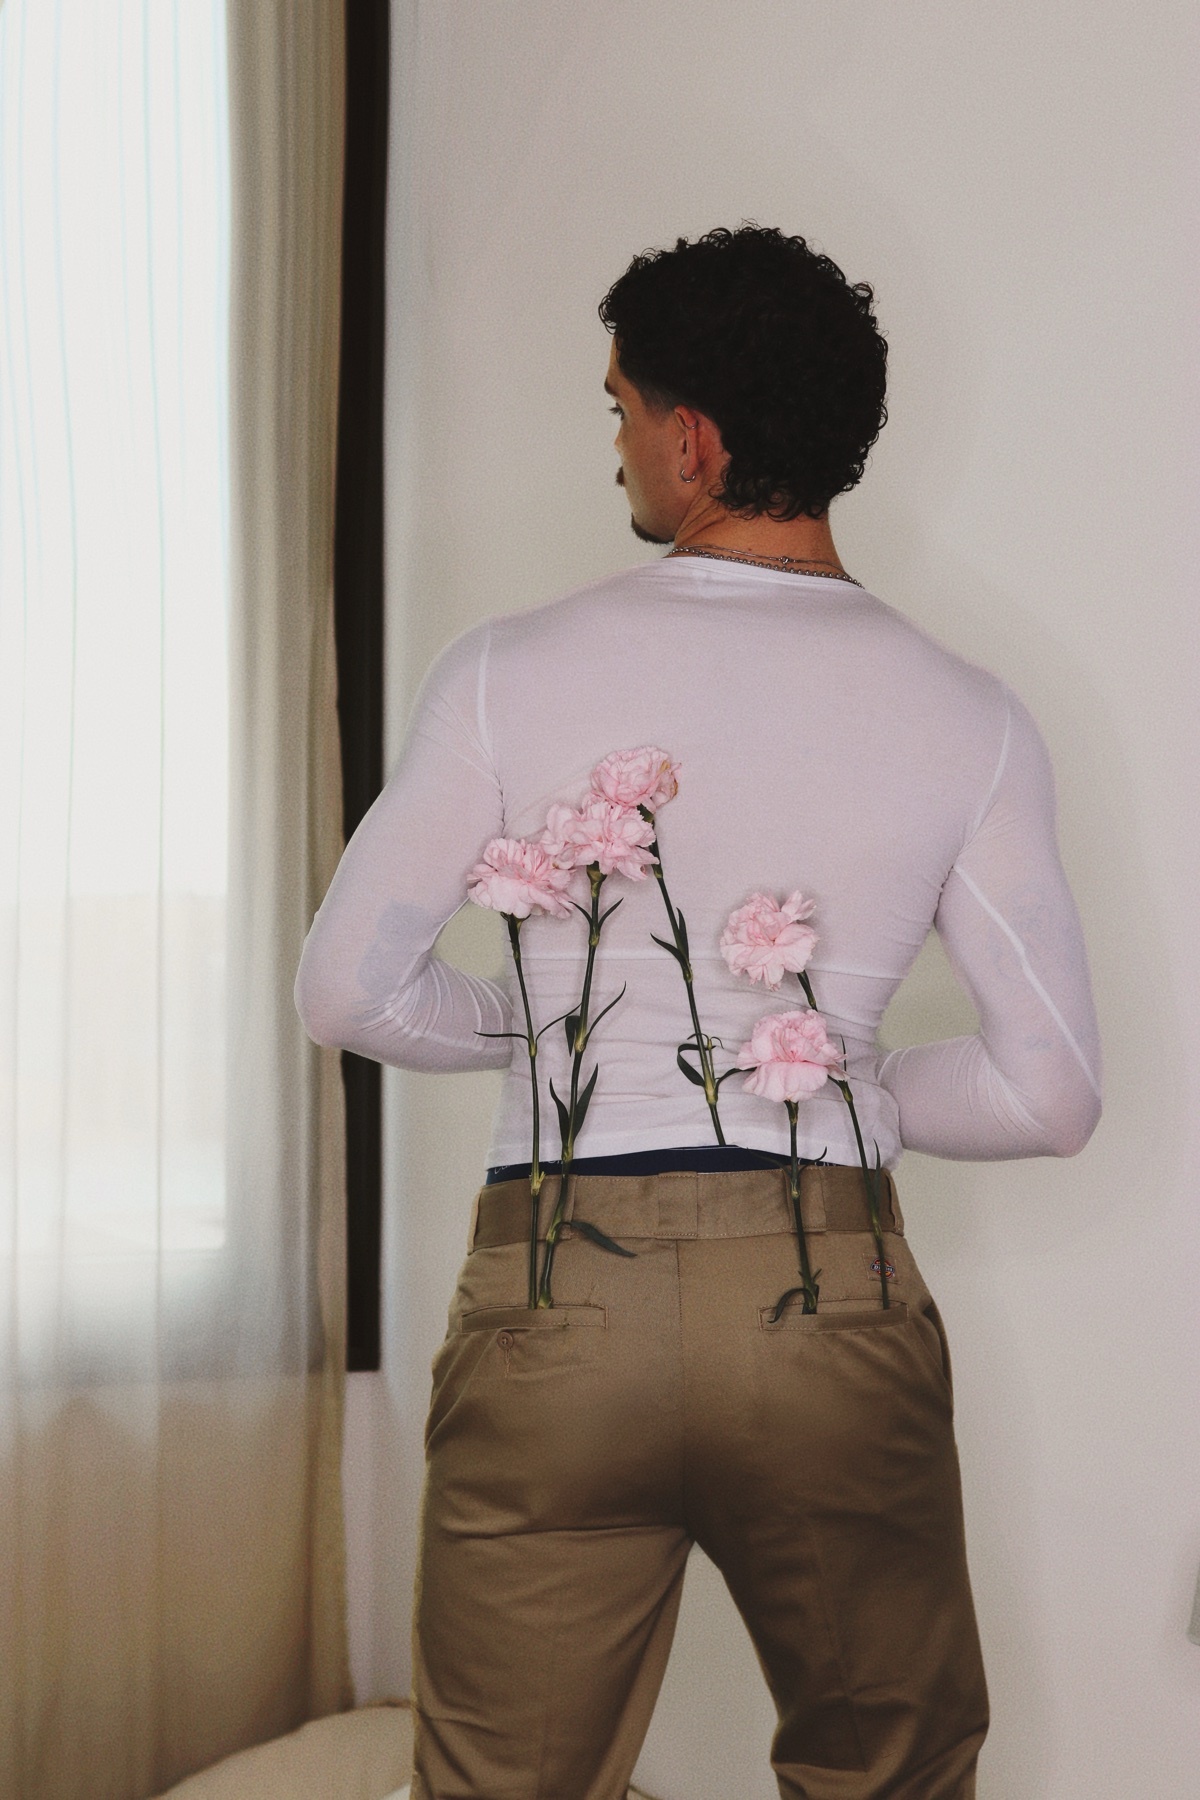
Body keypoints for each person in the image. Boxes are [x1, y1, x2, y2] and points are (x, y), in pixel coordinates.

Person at [296, 225, 1101, 1800]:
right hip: (826, 1298)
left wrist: (555, 1035)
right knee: (892, 1774)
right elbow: (1051, 1090)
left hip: (556, 1299)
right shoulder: (972, 715)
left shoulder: (504, 671)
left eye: (620, 408)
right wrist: (827, 1073)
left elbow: (348, 987)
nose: (614, 445)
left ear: (694, 441)